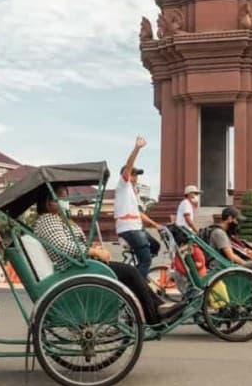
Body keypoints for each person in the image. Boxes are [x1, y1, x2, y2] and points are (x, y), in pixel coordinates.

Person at [33, 186, 184, 326]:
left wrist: (93, 249)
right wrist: (94, 252)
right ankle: (154, 316)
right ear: (48, 202)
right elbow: (62, 246)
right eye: (61, 197)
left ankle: (158, 307)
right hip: (74, 270)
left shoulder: (58, 219)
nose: (65, 201)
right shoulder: (48, 219)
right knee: (130, 273)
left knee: (130, 272)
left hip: (79, 266)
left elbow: (71, 244)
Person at [114, 136, 164, 278]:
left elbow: (139, 213)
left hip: (137, 227)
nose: (135, 177)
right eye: (133, 174)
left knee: (155, 246)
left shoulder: (133, 192)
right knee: (146, 260)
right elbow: (128, 166)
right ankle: (138, 283)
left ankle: (137, 271)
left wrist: (156, 225)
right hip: (129, 228)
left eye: (137, 175)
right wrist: (137, 148)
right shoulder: (123, 186)